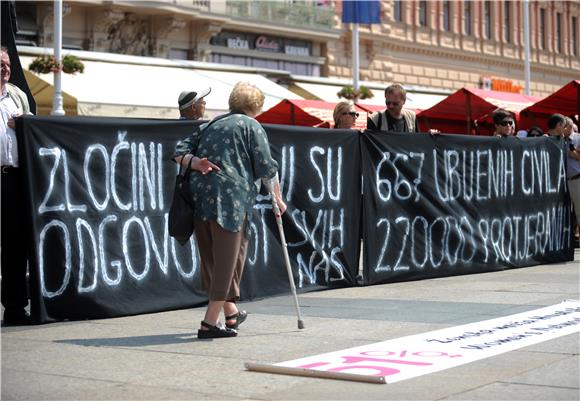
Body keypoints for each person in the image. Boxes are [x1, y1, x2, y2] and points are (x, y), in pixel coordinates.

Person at [173, 82, 286, 339]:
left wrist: (197, 163)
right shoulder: (251, 126)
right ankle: (209, 324)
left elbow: (179, 151)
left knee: (214, 262)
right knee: (228, 263)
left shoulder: (210, 124)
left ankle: (231, 313)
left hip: (201, 201)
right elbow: (266, 167)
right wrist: (277, 199)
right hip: (232, 203)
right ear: (256, 106)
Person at [1, 47, 32, 325]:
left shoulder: (17, 96)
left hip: (13, 178)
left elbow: (34, 130)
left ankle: (14, 308)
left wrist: (24, 123)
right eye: (0, 64)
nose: (5, 69)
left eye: (7, 64)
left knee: (14, 245)